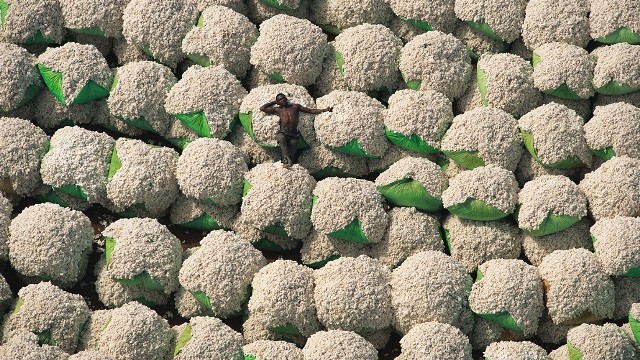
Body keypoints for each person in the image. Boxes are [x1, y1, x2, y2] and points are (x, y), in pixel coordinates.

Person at [260, 93, 332, 167]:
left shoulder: (295, 107)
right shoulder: (278, 110)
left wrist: (324, 110)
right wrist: (274, 102)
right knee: (281, 138)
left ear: (286, 98)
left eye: (283, 98)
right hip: (284, 132)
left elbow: (310, 111)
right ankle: (286, 157)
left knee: (291, 155)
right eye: (280, 100)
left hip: (294, 135)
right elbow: (262, 108)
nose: (283, 100)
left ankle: (286, 161)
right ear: (278, 102)